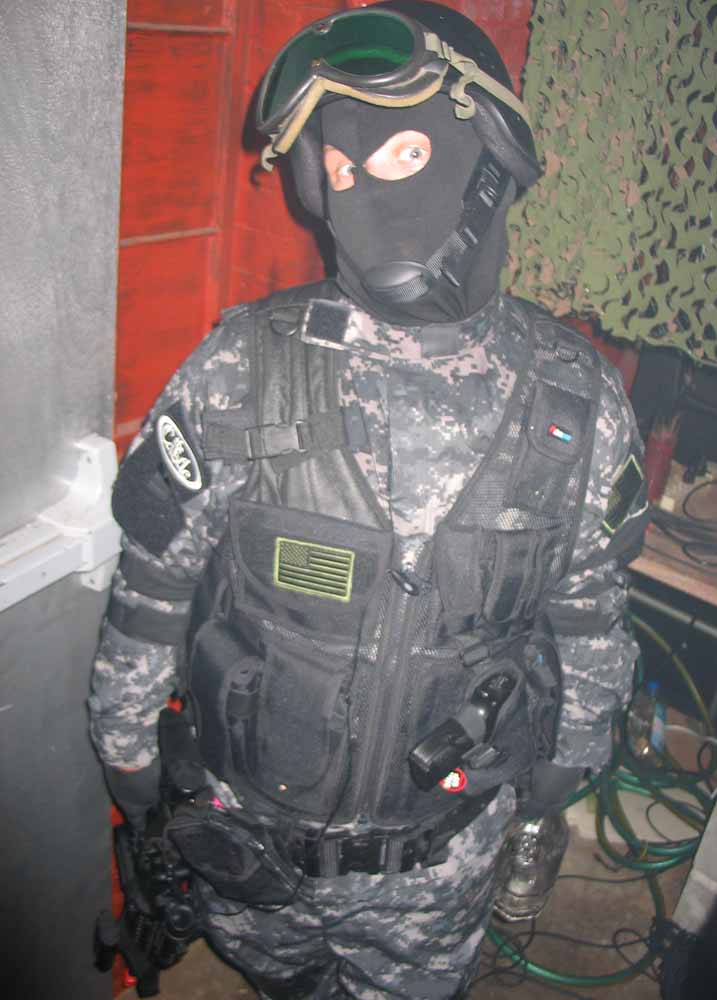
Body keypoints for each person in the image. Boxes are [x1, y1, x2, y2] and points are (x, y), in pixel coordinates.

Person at [89, 2, 649, 996]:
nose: (363, 195)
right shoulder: (242, 366)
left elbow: (590, 609)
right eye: (339, 173)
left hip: (440, 860)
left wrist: (574, 747)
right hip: (250, 848)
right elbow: (153, 587)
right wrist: (126, 742)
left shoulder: (575, 398)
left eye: (400, 154)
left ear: (489, 161)